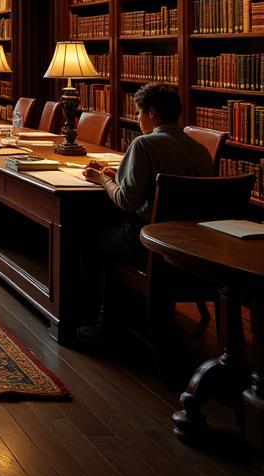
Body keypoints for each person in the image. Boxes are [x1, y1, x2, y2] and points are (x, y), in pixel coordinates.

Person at [79, 82, 213, 339]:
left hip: (147, 242)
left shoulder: (143, 145)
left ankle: (98, 321)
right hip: (192, 245)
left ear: (152, 113)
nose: (137, 118)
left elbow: (126, 201)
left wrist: (102, 180)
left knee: (87, 239)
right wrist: (115, 176)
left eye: (139, 113)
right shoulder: (200, 150)